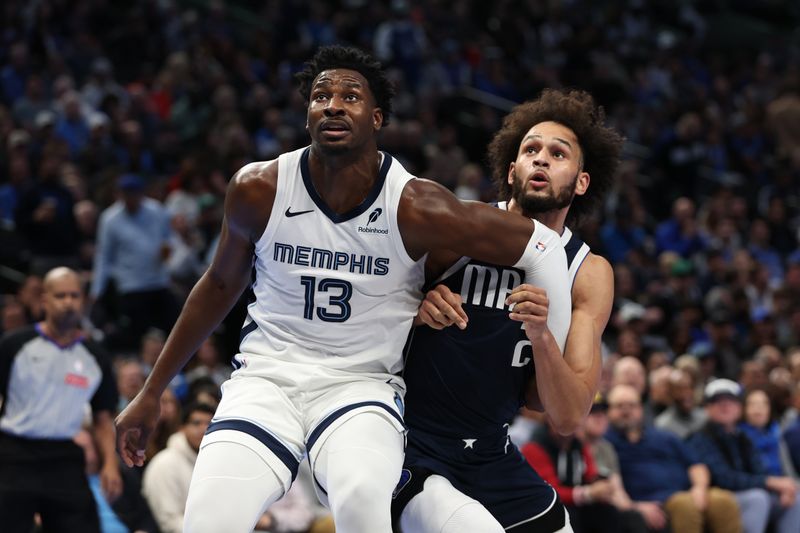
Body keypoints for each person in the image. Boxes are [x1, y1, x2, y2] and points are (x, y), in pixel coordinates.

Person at [115, 45, 572, 533]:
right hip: (268, 377)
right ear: (307, 113)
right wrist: (151, 390)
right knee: (208, 521)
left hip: (361, 387)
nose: (333, 104)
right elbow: (220, 284)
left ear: (376, 118)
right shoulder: (259, 188)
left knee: (362, 506)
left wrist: (543, 350)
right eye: (320, 96)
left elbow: (543, 248)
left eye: (350, 96)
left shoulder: (416, 205)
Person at [393, 89, 622, 532]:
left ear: (581, 181)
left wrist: (543, 335)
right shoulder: (460, 228)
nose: (541, 159)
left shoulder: (588, 272)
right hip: (407, 442)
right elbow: (364, 311)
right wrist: (413, 308)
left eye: (558, 154)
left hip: (489, 452)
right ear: (511, 168)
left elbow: (568, 414)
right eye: (530, 149)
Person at [0, 266, 121, 532]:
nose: (68, 302)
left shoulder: (95, 356)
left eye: (74, 296)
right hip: (13, 454)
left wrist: (110, 465)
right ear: (44, 300)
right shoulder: (14, 345)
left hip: (64, 456)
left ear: (83, 301)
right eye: (60, 296)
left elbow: (103, 418)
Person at [606, 384, 741, 533]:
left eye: (632, 405)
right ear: (609, 411)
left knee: (723, 501)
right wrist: (634, 506)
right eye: (619, 406)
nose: (627, 411)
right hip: (651, 501)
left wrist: (699, 488)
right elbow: (610, 486)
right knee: (685, 505)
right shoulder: (606, 443)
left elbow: (696, 465)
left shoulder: (663, 436)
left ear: (641, 408)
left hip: (687, 493)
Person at [687, 379, 800, 533]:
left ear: (739, 408)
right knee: (757, 498)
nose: (725, 406)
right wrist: (769, 482)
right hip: (719, 496)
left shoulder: (742, 437)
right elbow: (723, 478)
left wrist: (782, 488)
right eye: (718, 401)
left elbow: (759, 470)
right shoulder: (700, 438)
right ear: (707, 407)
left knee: (795, 496)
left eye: (730, 401)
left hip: (749, 491)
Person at [90, 173, 179, 351]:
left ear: (141, 193)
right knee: (134, 337)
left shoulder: (157, 211)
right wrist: (97, 290)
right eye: (126, 193)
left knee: (172, 330)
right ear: (119, 194)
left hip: (158, 282)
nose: (130, 198)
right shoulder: (110, 219)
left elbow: (170, 238)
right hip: (131, 287)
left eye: (133, 193)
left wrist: (167, 249)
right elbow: (104, 256)